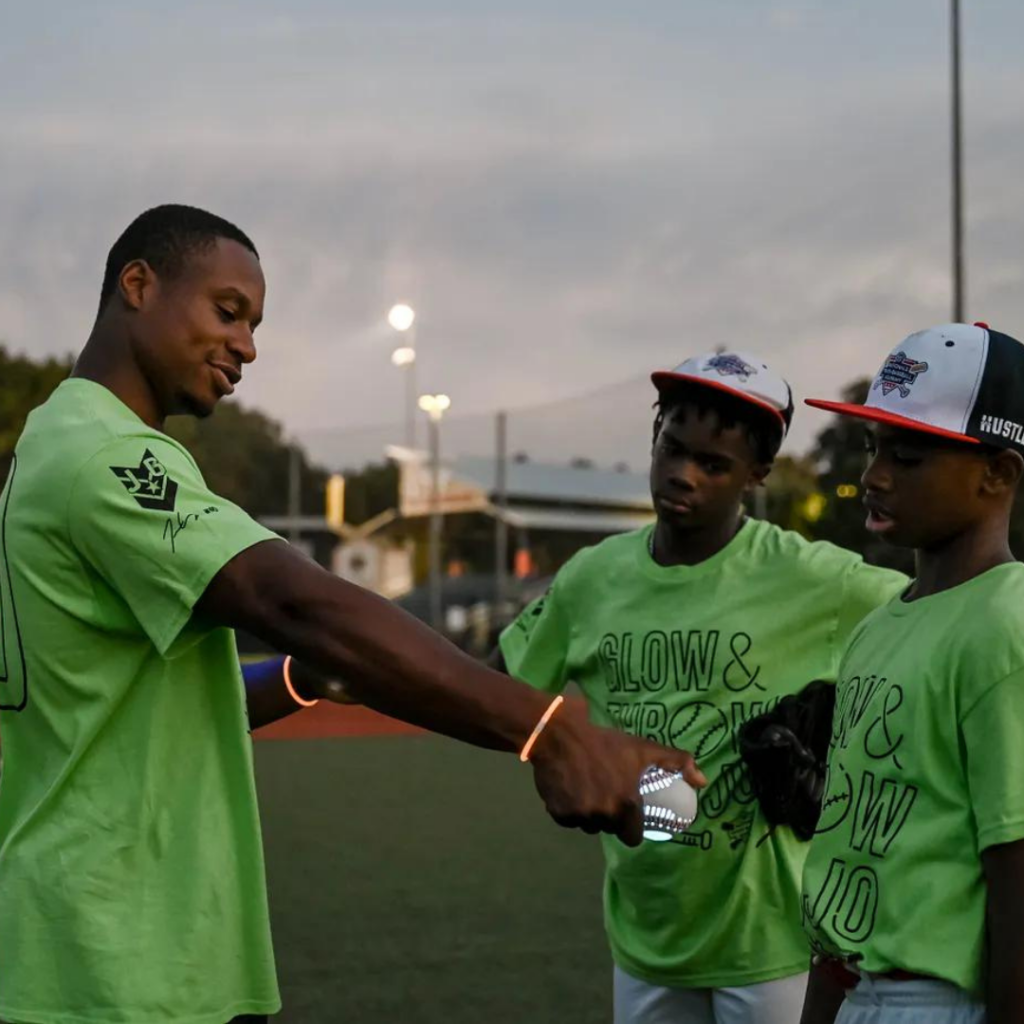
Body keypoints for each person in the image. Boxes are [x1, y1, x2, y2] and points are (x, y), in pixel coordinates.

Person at [0, 204, 703, 1024]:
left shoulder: (44, 448)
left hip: (86, 950)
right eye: (227, 311)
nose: (248, 346)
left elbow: (115, 702)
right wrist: (552, 729)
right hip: (117, 962)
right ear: (138, 284)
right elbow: (288, 597)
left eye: (254, 324)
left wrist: (298, 680)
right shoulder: (108, 454)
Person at [494, 352, 907, 1024]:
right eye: (672, 448)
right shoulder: (592, 578)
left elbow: (940, 621)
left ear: (758, 474)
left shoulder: (818, 582)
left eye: (713, 465)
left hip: (773, 940)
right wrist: (562, 748)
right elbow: (496, 687)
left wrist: (850, 735)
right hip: (645, 934)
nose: (683, 474)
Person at [799, 322, 1024, 1024]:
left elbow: (1016, 875)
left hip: (935, 999)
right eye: (872, 449)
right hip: (850, 986)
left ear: (998, 473)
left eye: (909, 456)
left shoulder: (1005, 623)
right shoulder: (877, 627)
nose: (873, 475)